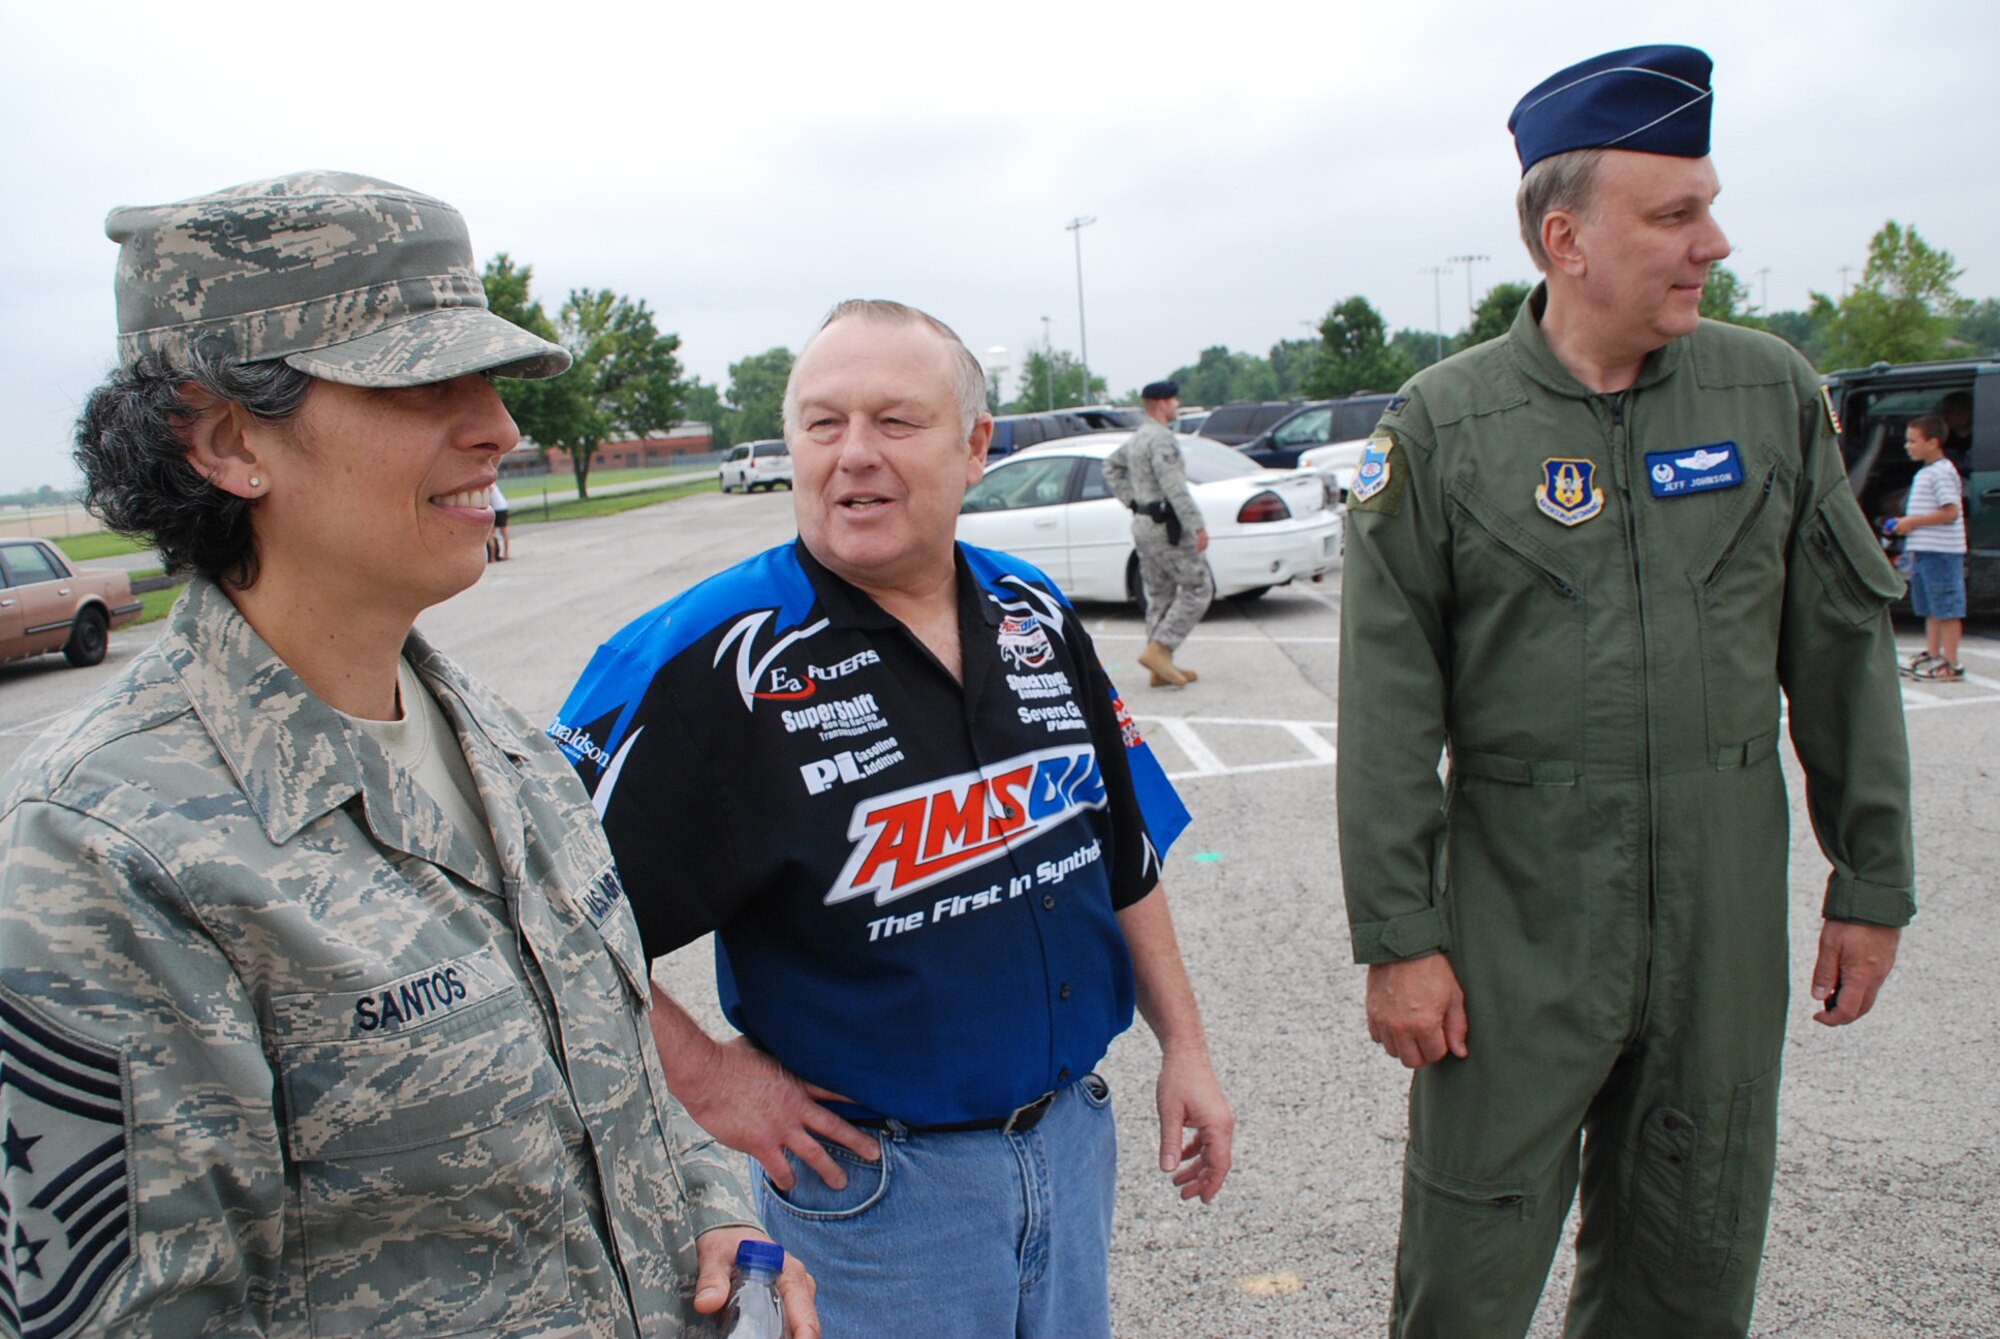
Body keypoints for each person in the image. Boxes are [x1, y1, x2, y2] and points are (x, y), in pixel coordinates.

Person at [0, 172, 816, 1338]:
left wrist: (703, 1212)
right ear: (228, 437)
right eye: (423, 381)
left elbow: (614, 1079)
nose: (499, 427)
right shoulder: (109, 848)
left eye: (486, 379)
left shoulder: (505, 748)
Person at [1336, 47, 1914, 1339]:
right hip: (1515, 930)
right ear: (1565, 239)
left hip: (1722, 916)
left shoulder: (1768, 396)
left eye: (1706, 204)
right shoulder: (1443, 430)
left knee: (1693, 1259)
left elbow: (1841, 653)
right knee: (1466, 1273)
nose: (1714, 240)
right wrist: (1401, 937)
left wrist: (1869, 879)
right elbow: (1386, 710)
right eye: (1673, 215)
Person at [551, 300, 1233, 1339]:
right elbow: (534, 914)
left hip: (1068, 1148)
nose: (853, 455)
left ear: (974, 447)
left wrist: (1183, 1044)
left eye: (893, 422)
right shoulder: (705, 660)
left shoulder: (1033, 613)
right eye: (823, 425)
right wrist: (706, 1077)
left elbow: (1122, 853)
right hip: (871, 1198)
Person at [1102, 380, 1211, 686]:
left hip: (1144, 525)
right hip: (1167, 528)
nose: (1178, 405)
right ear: (1162, 404)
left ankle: (1159, 670)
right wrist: (1196, 524)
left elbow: (1110, 466)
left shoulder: (1138, 438)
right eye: (1175, 400)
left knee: (1160, 593)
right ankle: (1160, 650)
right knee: (1198, 588)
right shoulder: (1161, 439)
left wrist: (1133, 501)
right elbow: (1174, 486)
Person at [1888, 415, 1967, 680]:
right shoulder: (1926, 472)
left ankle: (1951, 663)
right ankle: (1933, 654)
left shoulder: (1942, 472)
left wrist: (1912, 522)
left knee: (1947, 607)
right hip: (1925, 551)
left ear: (1933, 442)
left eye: (1913, 441)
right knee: (1931, 607)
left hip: (1942, 552)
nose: (1907, 446)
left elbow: (1951, 512)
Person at [488, 478, 512, 560]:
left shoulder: (490, 484)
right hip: (496, 508)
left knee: (503, 532)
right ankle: (493, 556)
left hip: (500, 508)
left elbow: (489, 492)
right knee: (491, 533)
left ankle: (503, 554)